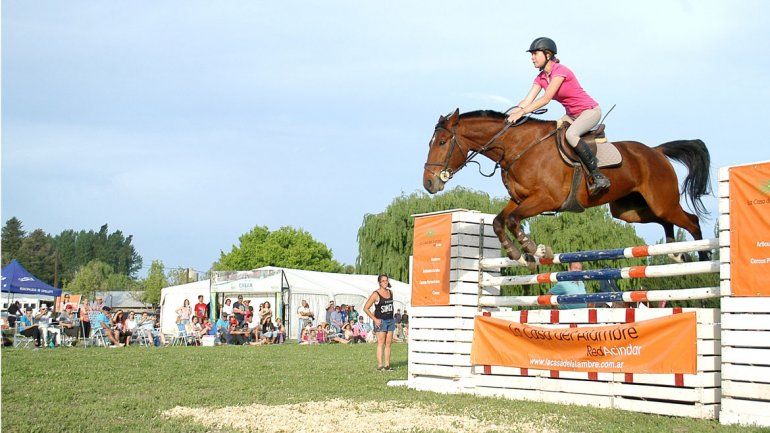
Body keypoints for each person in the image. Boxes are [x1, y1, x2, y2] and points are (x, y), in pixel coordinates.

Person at [506, 37, 609, 197]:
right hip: (572, 115)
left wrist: (522, 112)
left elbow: (546, 98)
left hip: (589, 111)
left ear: (547, 54)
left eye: (535, 54)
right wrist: (512, 113)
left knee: (571, 135)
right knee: (552, 134)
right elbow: (527, 100)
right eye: (531, 54)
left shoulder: (560, 71)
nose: (532, 58)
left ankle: (597, 175)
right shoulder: (540, 78)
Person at [364, 274, 396, 371]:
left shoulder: (390, 292)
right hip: (380, 321)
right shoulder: (375, 294)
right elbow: (366, 308)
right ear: (379, 283)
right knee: (381, 343)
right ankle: (380, 365)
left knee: (388, 343)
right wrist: (375, 319)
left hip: (390, 320)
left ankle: (387, 365)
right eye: (383, 281)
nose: (385, 282)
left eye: (386, 280)